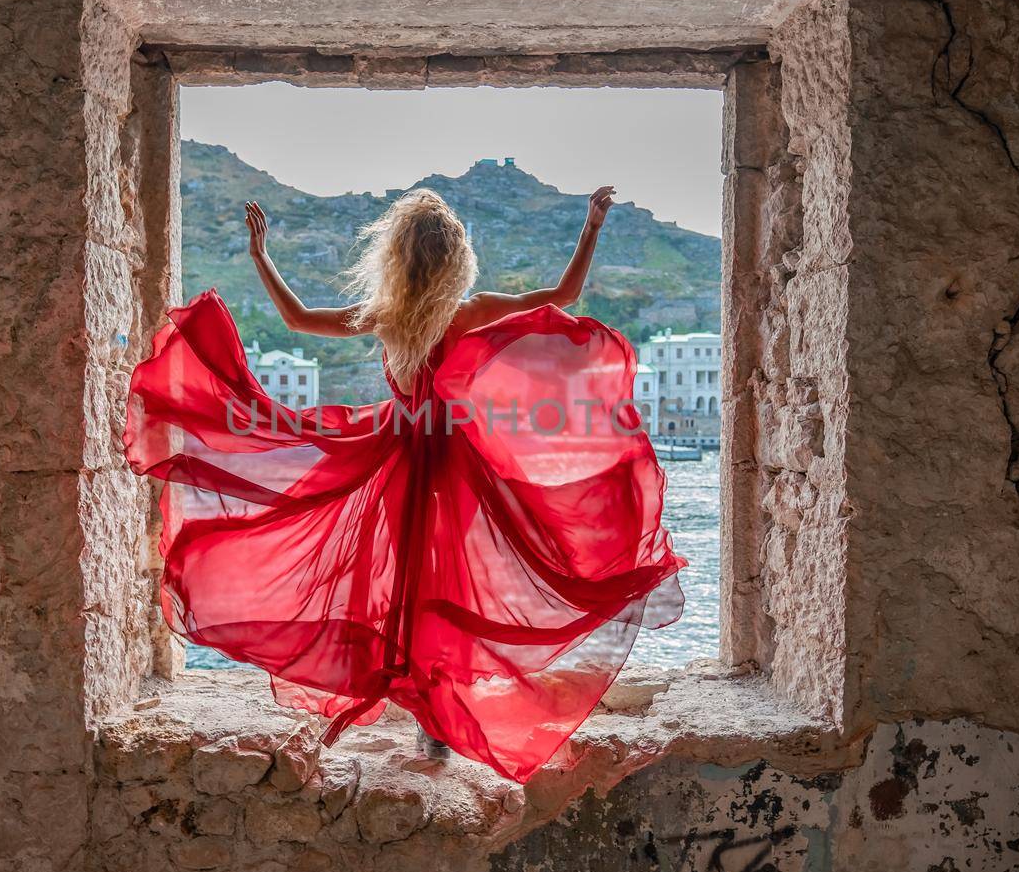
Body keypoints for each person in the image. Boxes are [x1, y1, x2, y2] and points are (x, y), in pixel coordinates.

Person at [125, 185, 685, 783]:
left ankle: (423, 708)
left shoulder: (388, 317)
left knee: (407, 585)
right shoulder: (470, 311)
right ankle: (439, 717)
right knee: (453, 587)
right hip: (458, 464)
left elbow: (296, 318)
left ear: (396, 256)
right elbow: (565, 295)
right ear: (456, 259)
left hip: (397, 456)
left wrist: (262, 256)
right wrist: (591, 226)